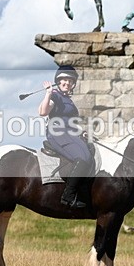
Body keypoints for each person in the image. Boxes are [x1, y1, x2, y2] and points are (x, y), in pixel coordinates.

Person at [39, 65, 93, 208]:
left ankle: (84, 192)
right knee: (83, 158)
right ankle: (68, 196)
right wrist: (48, 94)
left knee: (90, 151)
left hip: (70, 134)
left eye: (70, 81)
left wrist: (81, 132)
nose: (67, 83)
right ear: (58, 80)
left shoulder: (68, 100)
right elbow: (43, 112)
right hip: (58, 134)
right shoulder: (55, 96)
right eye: (64, 80)